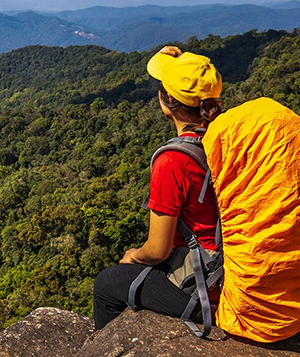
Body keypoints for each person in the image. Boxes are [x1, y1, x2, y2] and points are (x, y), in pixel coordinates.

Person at [92, 46, 223, 330]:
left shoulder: (173, 161)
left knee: (106, 283)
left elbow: (158, 250)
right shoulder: (224, 136)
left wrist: (133, 255)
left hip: (203, 282)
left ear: (166, 101)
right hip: (230, 266)